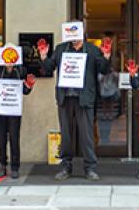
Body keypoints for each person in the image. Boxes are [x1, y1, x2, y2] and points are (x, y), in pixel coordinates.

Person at [37, 23, 111, 181]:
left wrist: (106, 56)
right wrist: (43, 56)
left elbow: (104, 70)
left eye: (76, 31)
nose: (74, 36)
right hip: (65, 98)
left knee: (87, 135)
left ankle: (90, 168)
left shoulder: (92, 49)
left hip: (84, 98)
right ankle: (65, 167)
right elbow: (49, 68)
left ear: (82, 32)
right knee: (66, 134)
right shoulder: (60, 49)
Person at [0, 62, 36, 178]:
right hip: (0, 109)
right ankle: (2, 165)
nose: (9, 62)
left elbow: (24, 91)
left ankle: (15, 167)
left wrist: (29, 86)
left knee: (14, 137)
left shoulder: (21, 71)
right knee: (1, 138)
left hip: (14, 109)